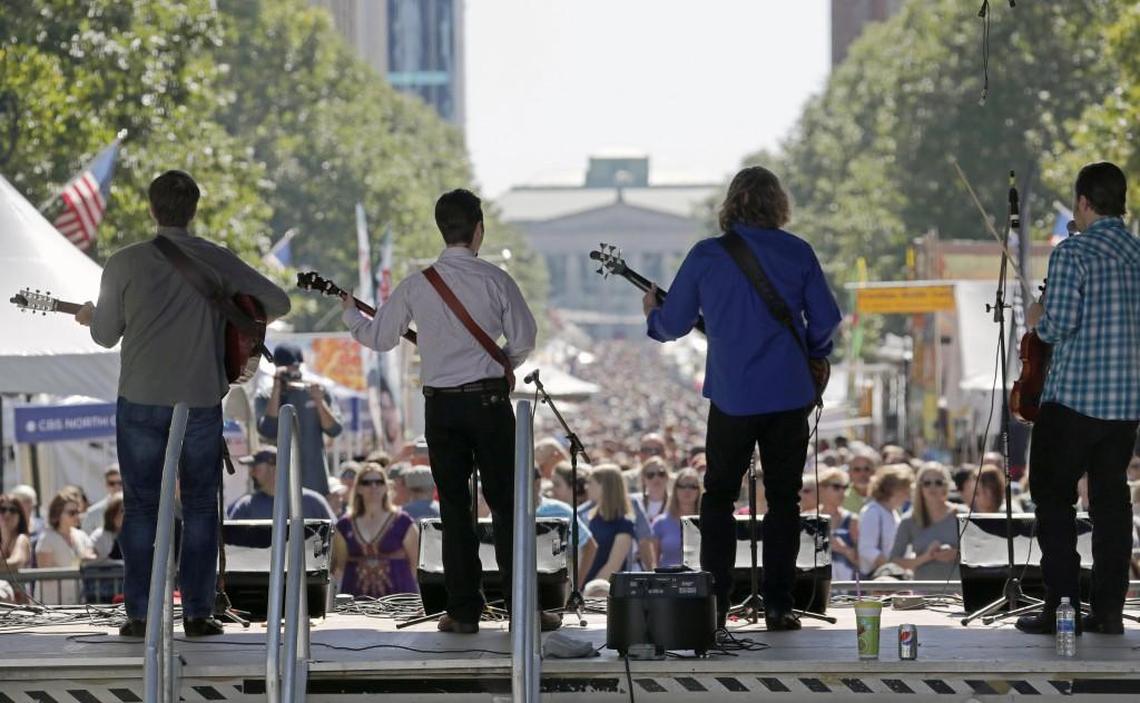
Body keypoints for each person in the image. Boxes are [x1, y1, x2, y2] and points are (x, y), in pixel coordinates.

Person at [75, 170, 291, 636]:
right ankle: (197, 612)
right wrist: (230, 307)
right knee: (198, 506)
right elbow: (278, 301)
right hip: (198, 399)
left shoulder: (124, 263)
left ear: (151, 209)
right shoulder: (214, 258)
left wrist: (95, 316)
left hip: (140, 398)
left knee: (140, 508)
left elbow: (105, 334)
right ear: (193, 210)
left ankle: (140, 614)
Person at [341, 189, 555, 633]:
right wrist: (501, 366)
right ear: (479, 230)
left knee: (455, 508)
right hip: (489, 402)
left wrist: (349, 314)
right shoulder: (496, 280)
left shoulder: (417, 285)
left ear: (442, 229)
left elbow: (379, 338)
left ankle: (462, 611)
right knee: (508, 506)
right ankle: (523, 609)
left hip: (441, 407)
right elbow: (524, 339)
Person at [642, 166, 842, 630]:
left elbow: (673, 325)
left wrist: (653, 313)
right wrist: (811, 354)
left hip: (732, 396)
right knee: (785, 501)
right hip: (789, 394)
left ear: (731, 204)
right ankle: (778, 605)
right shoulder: (798, 252)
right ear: (778, 205)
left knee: (718, 499)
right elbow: (828, 319)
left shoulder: (707, 256)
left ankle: (717, 605)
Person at [1016, 162, 1140, 636]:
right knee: (1111, 506)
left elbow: (1057, 325)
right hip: (1124, 405)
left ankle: (1061, 608)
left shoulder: (1074, 252)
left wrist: (1035, 315)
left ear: (1084, 201)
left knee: (1053, 500)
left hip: (1072, 401)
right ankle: (1108, 611)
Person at [256, 344, 344, 496]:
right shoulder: (266, 395)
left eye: (296, 366)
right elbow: (268, 430)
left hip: (314, 482)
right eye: (287, 367)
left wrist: (319, 401)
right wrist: (277, 387)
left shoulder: (315, 391)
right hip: (279, 485)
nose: (293, 371)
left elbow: (335, 430)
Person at [331, 464, 419, 598]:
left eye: (379, 482)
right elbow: (339, 567)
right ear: (358, 488)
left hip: (399, 601)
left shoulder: (403, 522)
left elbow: (415, 565)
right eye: (367, 482)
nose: (374, 487)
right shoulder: (344, 525)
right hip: (356, 602)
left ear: (386, 487)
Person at [889, 463, 961, 581]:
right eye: (927, 483)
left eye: (938, 482)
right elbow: (894, 561)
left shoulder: (961, 515)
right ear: (920, 487)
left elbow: (978, 554)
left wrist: (956, 554)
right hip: (923, 592)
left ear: (946, 486)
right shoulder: (909, 520)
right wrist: (927, 557)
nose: (932, 487)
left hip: (958, 592)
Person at [225, 448, 336, 521]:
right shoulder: (245, 506)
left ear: (274, 467)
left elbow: (337, 547)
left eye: (255, 467)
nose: (251, 472)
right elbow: (230, 547)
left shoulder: (313, 502)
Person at [35, 493, 96, 604]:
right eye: (72, 513)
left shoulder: (81, 535)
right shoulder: (46, 538)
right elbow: (45, 574)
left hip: (77, 601)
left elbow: (93, 554)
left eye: (78, 512)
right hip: (51, 605)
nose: (77, 516)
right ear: (57, 514)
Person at [581, 465, 636, 585]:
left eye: (590, 483)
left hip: (605, 591)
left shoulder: (624, 524)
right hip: (583, 588)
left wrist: (590, 590)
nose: (586, 487)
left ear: (604, 486)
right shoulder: (589, 518)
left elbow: (613, 566)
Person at [857, 465, 913, 577]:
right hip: (877, 581)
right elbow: (867, 549)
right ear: (892, 489)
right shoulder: (872, 512)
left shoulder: (894, 512)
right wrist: (892, 569)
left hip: (892, 578)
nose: (907, 496)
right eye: (905, 491)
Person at [651, 467, 702, 569]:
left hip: (699, 580)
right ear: (675, 489)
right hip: (668, 580)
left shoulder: (707, 522)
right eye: (682, 486)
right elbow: (652, 563)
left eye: (693, 486)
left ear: (699, 490)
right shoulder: (660, 523)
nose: (687, 490)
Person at [815, 468, 859, 581]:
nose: (842, 492)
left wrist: (843, 549)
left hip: (846, 587)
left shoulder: (852, 520)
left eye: (845, 488)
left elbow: (861, 562)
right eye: (836, 487)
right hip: (818, 584)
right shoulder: (809, 518)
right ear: (821, 488)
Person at [0, 494, 32, 603]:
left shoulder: (21, 538)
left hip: (19, 606)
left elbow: (16, 561)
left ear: (20, 516)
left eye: (13, 510)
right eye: (2, 509)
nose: (7, 514)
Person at [81, 465, 123, 533]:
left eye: (120, 483)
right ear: (106, 485)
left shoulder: (138, 510)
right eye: (111, 483)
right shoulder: (92, 513)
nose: (117, 487)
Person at [843, 446, 879, 513]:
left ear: (874, 472)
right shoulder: (841, 497)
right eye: (857, 469)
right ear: (849, 473)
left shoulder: (885, 497)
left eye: (867, 469)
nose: (862, 474)